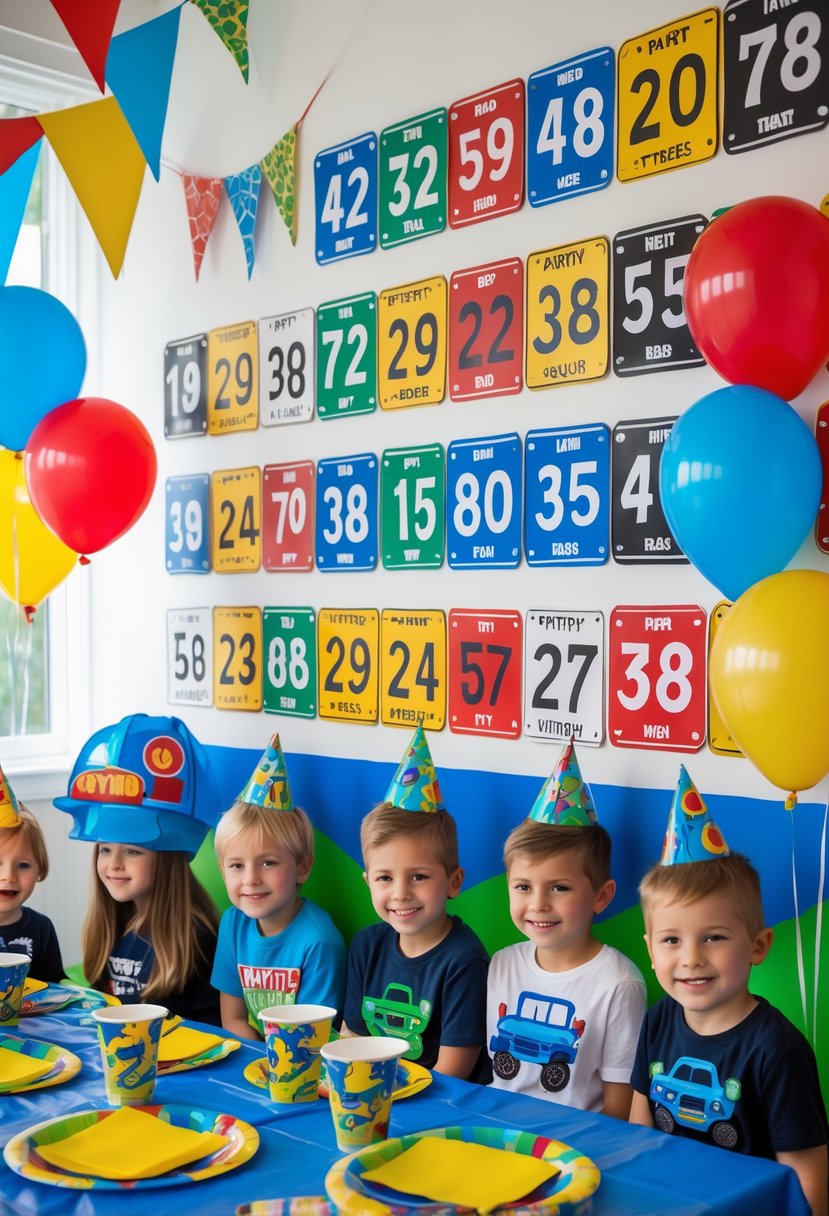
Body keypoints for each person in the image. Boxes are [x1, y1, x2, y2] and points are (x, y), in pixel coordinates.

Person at [630, 766, 828, 1216]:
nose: (691, 958)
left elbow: (806, 1175)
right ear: (651, 951)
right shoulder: (658, 1019)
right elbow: (640, 1129)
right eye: (671, 940)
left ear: (758, 946)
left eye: (714, 937)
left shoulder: (777, 1050)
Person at [487, 739, 646, 1118]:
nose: (538, 903)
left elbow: (618, 1107)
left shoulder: (618, 984)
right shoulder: (500, 964)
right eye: (523, 887)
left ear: (601, 896)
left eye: (559, 888)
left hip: (578, 1139)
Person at [342, 725, 489, 1080]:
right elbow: (351, 1039)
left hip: (437, 1099)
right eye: (384, 878)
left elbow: (453, 1072)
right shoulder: (366, 945)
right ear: (368, 882)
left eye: (419, 877)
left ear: (454, 882)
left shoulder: (464, 961)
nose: (401, 893)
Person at [55, 713, 222, 1024]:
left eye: (132, 851)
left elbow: (213, 1031)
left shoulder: (197, 938)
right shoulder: (113, 921)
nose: (114, 864)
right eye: (105, 849)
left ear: (167, 857)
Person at [211, 733, 346, 1040]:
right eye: (237, 866)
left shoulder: (319, 942)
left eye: (267, 863)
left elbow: (311, 1037)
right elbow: (232, 1019)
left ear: (302, 868)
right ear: (223, 871)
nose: (250, 879)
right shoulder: (233, 923)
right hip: (257, 1054)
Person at [0, 766, 64, 982]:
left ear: (40, 869)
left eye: (23, 865)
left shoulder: (42, 928)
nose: (8, 876)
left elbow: (56, 987)